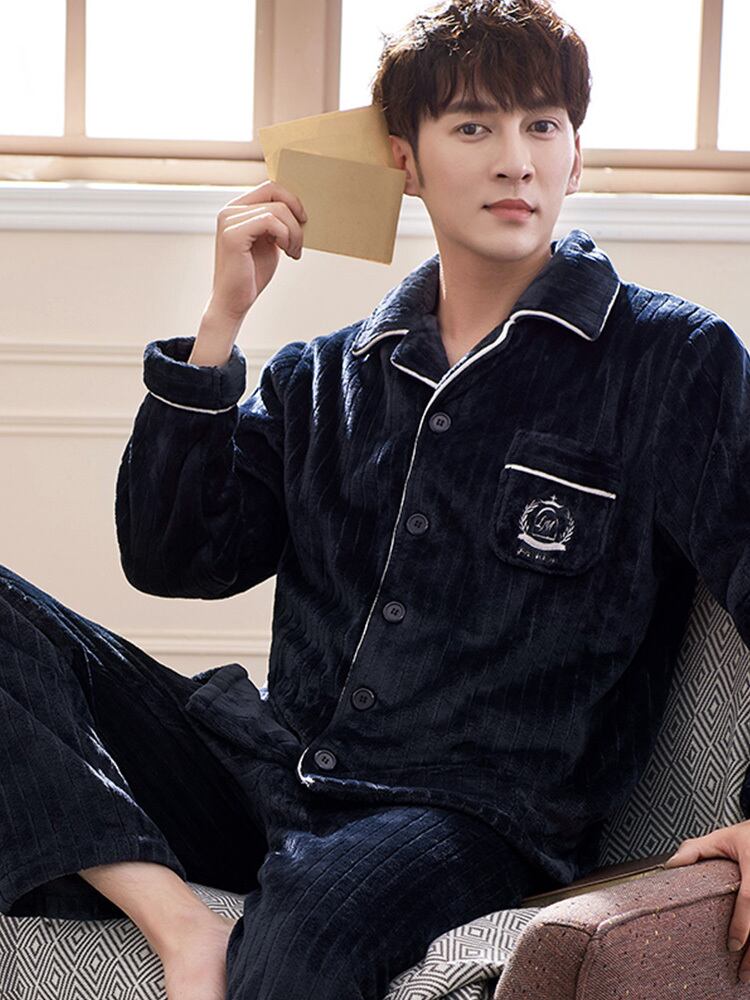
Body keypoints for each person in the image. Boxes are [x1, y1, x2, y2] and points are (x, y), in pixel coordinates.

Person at [3, 0, 750, 997]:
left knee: (305, 930)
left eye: (543, 125)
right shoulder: (323, 378)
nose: (516, 162)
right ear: (405, 159)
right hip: (273, 768)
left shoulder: (672, 360)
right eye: (474, 127)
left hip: (469, 818)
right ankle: (181, 925)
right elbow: (175, 558)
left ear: (575, 153)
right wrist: (220, 322)